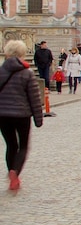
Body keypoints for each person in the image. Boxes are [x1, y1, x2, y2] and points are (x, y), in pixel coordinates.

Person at [0, 40, 44, 192]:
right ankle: (15, 172)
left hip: (2, 114)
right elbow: (35, 98)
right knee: (23, 146)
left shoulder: (1, 71)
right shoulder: (27, 73)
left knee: (11, 145)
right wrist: (39, 119)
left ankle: (12, 171)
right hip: (21, 114)